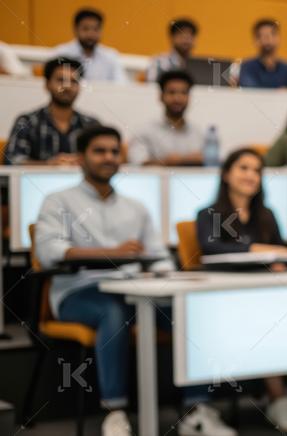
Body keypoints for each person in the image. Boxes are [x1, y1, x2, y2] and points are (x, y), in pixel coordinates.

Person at [35, 125, 235, 436]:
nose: (108, 157)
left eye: (115, 151)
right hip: (78, 292)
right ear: (81, 158)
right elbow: (50, 253)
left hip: (133, 291)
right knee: (113, 311)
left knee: (188, 312)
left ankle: (197, 412)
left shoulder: (136, 207)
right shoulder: (58, 201)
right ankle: (114, 412)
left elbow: (158, 255)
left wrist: (167, 276)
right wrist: (111, 253)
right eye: (99, 151)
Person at [196, 148, 287, 433]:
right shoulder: (208, 214)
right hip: (228, 300)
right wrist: (257, 248)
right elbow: (211, 248)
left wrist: (278, 261)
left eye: (256, 170)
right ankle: (277, 395)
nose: (251, 175)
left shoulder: (266, 214)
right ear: (227, 174)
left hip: (268, 294)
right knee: (269, 318)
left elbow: (282, 250)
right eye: (243, 168)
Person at [5, 57, 98, 165]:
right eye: (61, 80)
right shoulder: (27, 122)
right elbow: (11, 161)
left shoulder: (92, 125)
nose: (67, 87)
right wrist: (48, 165)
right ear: (47, 85)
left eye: (73, 81)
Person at [128, 70, 205, 166]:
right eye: (172, 92)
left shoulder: (200, 134)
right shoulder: (144, 131)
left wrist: (179, 160)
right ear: (160, 96)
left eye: (183, 93)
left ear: (189, 97)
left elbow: (212, 164)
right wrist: (173, 162)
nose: (178, 98)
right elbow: (138, 164)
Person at [54, 8, 127, 83]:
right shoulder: (61, 54)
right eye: (86, 29)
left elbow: (121, 85)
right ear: (75, 29)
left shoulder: (110, 56)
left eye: (95, 29)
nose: (90, 34)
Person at [237, 19, 287, 88]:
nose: (268, 39)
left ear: (279, 38)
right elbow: (250, 90)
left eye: (273, 34)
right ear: (256, 40)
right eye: (262, 35)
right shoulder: (247, 67)